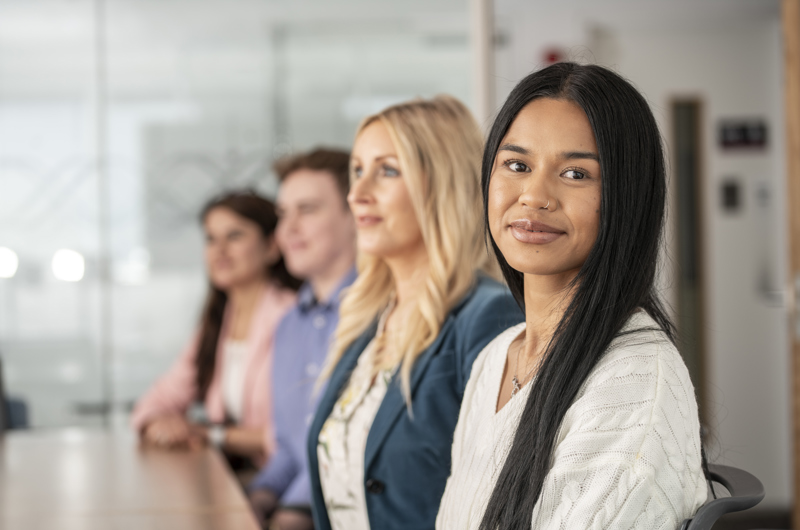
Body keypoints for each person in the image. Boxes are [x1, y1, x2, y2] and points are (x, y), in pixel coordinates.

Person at [436, 62, 709, 530]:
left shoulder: (633, 381)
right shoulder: (495, 360)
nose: (535, 195)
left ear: (627, 196)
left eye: (577, 174)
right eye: (517, 165)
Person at [306, 96, 524, 530]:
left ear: (442, 185)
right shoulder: (369, 318)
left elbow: (503, 494)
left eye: (387, 170)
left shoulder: (488, 315)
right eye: (356, 170)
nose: (358, 194)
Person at [131, 191, 300, 469]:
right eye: (211, 239)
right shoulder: (219, 321)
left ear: (272, 247)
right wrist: (160, 422)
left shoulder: (293, 317)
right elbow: (158, 399)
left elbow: (295, 432)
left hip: (284, 483)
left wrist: (212, 434)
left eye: (234, 236)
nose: (219, 250)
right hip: (236, 474)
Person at [248, 148, 357, 530]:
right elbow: (290, 450)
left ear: (356, 214)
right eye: (282, 214)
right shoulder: (288, 325)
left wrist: (292, 511)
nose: (288, 229)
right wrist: (256, 498)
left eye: (307, 210)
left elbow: (351, 454)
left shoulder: (383, 313)